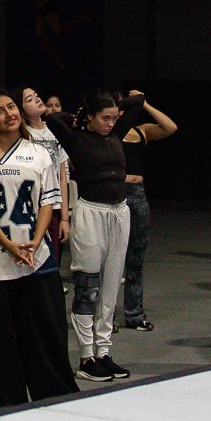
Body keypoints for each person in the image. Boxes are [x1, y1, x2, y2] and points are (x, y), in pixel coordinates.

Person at [0, 90, 76, 408]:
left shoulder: (38, 152)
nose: (8, 114)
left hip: (35, 256)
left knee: (46, 331)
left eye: (11, 107)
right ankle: (7, 403)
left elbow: (48, 199)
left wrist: (38, 240)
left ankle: (54, 397)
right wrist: (7, 243)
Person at [45, 89, 142, 382]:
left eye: (113, 118)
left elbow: (138, 102)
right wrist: (79, 114)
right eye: (104, 118)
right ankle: (86, 357)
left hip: (119, 212)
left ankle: (103, 352)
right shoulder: (76, 138)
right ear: (90, 116)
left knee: (111, 287)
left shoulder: (115, 133)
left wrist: (113, 106)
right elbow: (53, 119)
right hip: (91, 213)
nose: (111, 123)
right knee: (88, 287)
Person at [117, 90, 177, 332]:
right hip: (115, 193)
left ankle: (134, 314)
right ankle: (104, 316)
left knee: (136, 258)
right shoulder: (109, 132)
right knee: (110, 258)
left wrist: (145, 104)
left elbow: (170, 127)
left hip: (138, 193)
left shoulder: (140, 131)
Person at [18, 87, 71, 253]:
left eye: (36, 95)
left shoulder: (56, 130)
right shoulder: (22, 134)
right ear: (22, 110)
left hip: (53, 207)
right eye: (29, 99)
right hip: (31, 207)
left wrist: (64, 218)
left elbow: (62, 177)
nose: (37, 99)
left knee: (53, 257)